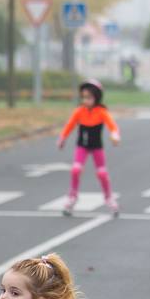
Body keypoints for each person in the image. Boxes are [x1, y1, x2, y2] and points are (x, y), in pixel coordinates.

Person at [56, 79, 122, 218]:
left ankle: (109, 198)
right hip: (82, 146)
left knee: (102, 173)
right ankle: (72, 197)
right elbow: (70, 125)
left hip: (97, 147)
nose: (85, 100)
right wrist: (62, 138)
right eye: (84, 97)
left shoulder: (101, 112)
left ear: (96, 98)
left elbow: (112, 126)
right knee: (76, 169)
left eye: (89, 98)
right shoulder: (79, 111)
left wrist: (115, 136)